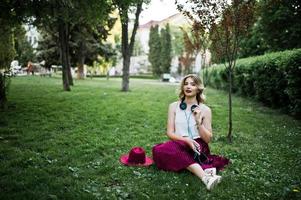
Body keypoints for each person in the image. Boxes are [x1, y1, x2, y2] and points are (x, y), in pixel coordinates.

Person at [152, 74, 229, 190]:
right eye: (186, 84)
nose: (188, 87)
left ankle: (205, 177)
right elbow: (170, 133)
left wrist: (199, 122)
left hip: (198, 145)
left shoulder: (205, 110)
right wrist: (186, 140)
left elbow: (208, 139)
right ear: (183, 87)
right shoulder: (173, 106)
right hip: (179, 142)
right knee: (158, 149)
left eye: (193, 84)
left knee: (168, 151)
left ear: (198, 89)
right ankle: (205, 172)